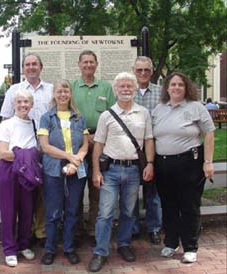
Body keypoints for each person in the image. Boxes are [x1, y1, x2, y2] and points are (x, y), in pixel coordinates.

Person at [87, 72, 154, 272]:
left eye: (129, 86)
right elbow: (98, 145)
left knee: (128, 211)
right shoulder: (107, 115)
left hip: (134, 170)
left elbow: (149, 139)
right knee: (105, 213)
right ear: (115, 90)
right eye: (122, 86)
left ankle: (124, 245)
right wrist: (96, 171)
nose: (125, 89)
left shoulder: (143, 113)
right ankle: (100, 251)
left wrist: (150, 163)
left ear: (134, 89)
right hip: (111, 171)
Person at [152, 72, 215, 263]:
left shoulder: (196, 107)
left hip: (190, 163)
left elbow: (210, 133)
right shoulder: (159, 109)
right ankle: (171, 243)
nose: (176, 88)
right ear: (167, 88)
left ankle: (190, 246)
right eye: (173, 84)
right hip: (163, 164)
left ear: (186, 87)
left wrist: (208, 161)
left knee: (189, 205)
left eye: (180, 84)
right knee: (168, 205)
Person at [0, 53, 53, 247]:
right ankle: (24, 233)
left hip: (44, 147)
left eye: (34, 64)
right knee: (21, 194)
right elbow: (6, 118)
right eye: (27, 64)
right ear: (23, 68)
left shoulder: (51, 90)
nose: (31, 67)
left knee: (39, 191)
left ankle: (40, 231)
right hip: (19, 150)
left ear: (41, 66)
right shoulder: (14, 90)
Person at [38, 80, 88, 265]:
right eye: (59, 91)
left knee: (73, 210)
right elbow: (44, 146)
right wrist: (68, 156)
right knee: (53, 212)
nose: (63, 94)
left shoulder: (79, 117)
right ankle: (50, 249)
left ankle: (69, 248)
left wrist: (76, 161)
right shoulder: (46, 117)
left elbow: (84, 145)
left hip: (76, 168)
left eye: (66, 91)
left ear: (70, 94)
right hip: (53, 169)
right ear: (54, 94)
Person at [71, 50, 116, 244]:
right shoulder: (72, 87)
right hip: (78, 144)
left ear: (96, 65)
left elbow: (113, 116)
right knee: (77, 188)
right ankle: (77, 229)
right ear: (79, 64)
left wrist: (97, 139)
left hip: (101, 144)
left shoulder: (106, 88)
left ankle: (93, 230)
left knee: (97, 187)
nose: (88, 65)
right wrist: (84, 137)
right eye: (85, 62)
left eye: (92, 62)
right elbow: (67, 113)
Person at [0, 89, 42, 267]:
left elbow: (38, 149)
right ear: (14, 105)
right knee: (8, 210)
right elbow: (3, 153)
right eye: (19, 102)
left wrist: (26, 155)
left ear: (31, 104)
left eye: (26, 102)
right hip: (10, 171)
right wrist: (26, 154)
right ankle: (9, 249)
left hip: (28, 171)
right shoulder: (6, 125)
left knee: (27, 209)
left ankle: (24, 244)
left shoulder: (34, 124)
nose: (23, 105)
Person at [132, 56, 162, 244]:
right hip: (131, 150)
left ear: (151, 72)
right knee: (131, 191)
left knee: (153, 192)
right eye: (139, 70)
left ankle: (154, 228)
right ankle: (133, 227)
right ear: (133, 70)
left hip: (154, 148)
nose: (143, 73)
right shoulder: (126, 91)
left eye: (146, 70)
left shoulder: (162, 93)